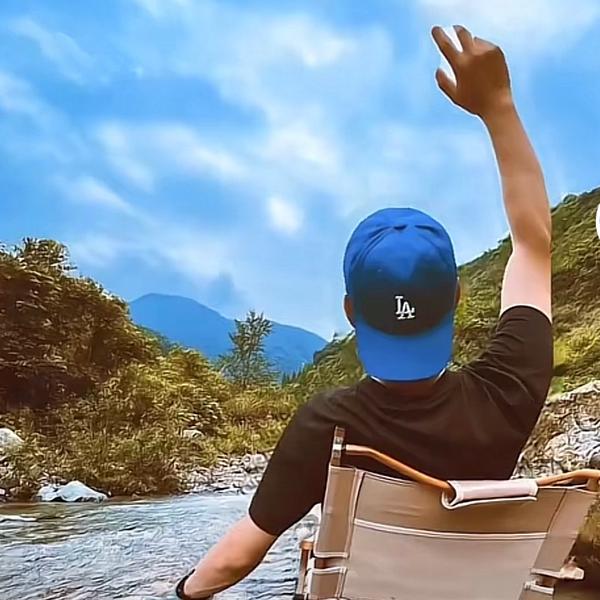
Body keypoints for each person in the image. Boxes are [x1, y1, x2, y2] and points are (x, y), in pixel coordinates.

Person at [175, 24, 553, 599]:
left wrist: (180, 591)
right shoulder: (508, 388)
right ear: (456, 297)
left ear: (352, 312)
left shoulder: (325, 424)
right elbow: (533, 245)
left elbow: (233, 563)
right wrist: (498, 106)